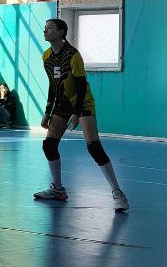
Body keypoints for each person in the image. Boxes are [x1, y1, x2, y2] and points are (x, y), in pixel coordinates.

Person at [33, 18, 129, 212]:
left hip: (82, 103)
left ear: (61, 32)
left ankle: (118, 193)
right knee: (49, 145)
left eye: (50, 28)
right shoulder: (46, 56)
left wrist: (76, 113)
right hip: (62, 104)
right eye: (45, 28)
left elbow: (81, 86)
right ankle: (58, 189)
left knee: (93, 147)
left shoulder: (73, 55)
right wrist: (47, 111)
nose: (45, 30)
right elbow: (53, 85)